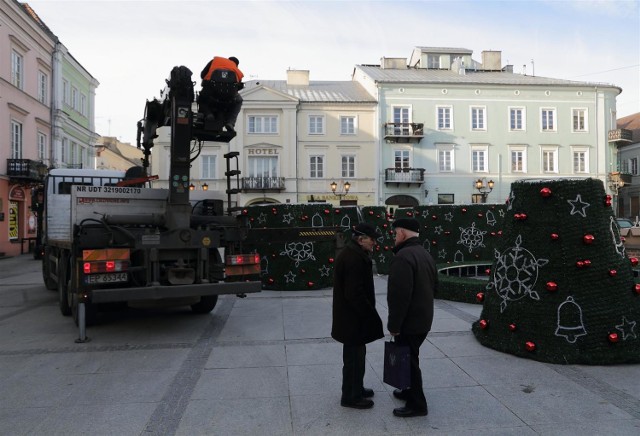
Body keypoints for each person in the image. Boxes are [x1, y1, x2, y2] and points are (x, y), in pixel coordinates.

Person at [331, 222, 384, 409]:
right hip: (352, 318)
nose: (374, 243)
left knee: (358, 355)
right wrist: (369, 314)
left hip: (352, 318)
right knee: (354, 358)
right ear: (360, 239)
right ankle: (351, 396)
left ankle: (357, 388)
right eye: (372, 239)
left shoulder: (355, 253)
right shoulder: (353, 258)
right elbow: (354, 293)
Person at [387, 218, 436, 417]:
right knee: (410, 357)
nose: (394, 237)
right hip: (423, 319)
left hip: (410, 322)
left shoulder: (403, 257)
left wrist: (394, 325)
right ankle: (407, 390)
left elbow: (399, 296)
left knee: (409, 361)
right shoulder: (424, 254)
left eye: (395, 233)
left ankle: (417, 404)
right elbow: (435, 287)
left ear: (402, 233)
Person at [198, 56, 244, 132]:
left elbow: (203, 75)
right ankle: (230, 122)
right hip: (228, 98)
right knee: (239, 101)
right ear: (236, 64)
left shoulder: (215, 61)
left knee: (202, 99)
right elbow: (238, 86)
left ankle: (208, 114)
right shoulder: (236, 70)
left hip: (211, 93)